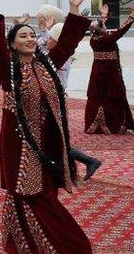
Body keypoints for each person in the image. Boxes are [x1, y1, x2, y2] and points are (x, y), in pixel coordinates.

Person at [0, 0, 93, 254]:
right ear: (13, 44)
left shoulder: (46, 66)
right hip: (19, 148)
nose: (30, 39)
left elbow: (67, 43)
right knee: (28, 196)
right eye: (23, 36)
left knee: (46, 194)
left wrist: (74, 9)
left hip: (48, 146)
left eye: (32, 35)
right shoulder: (9, 72)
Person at [45, 22, 103, 180]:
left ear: (57, 40)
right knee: (53, 138)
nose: (47, 41)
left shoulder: (60, 58)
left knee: (55, 139)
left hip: (54, 101)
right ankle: (83, 163)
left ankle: (87, 162)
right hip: (52, 100)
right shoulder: (53, 55)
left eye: (51, 38)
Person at [85, 2, 134, 134]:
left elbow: (99, 27)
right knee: (114, 96)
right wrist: (132, 15)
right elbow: (122, 30)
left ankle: (98, 125)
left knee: (98, 96)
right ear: (101, 29)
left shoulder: (94, 39)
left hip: (98, 71)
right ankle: (114, 125)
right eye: (104, 25)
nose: (106, 25)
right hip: (109, 73)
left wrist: (103, 16)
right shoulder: (106, 40)